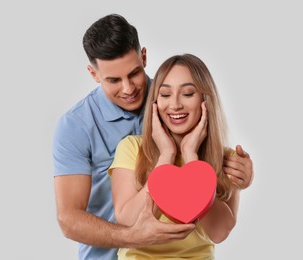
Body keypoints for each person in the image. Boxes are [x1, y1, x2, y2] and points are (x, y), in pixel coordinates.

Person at [53, 14, 254, 260]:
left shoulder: (166, 98)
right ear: (94, 74)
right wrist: (137, 236)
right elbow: (69, 219)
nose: (128, 89)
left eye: (134, 73)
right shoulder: (79, 126)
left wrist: (235, 174)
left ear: (144, 57)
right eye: (114, 80)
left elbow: (220, 231)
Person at [109, 53, 249, 259]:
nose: (175, 105)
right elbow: (129, 221)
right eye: (165, 95)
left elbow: (219, 232)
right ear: (155, 104)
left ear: (205, 100)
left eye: (188, 94)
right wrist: (166, 156)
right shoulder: (131, 148)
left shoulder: (225, 158)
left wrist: (191, 157)